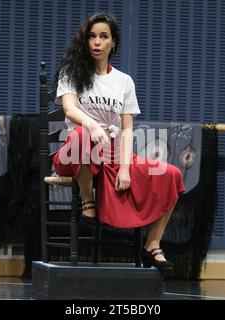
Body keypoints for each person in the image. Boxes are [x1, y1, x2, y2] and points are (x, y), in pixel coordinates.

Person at [52, 12, 185, 271]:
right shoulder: (72, 72)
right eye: (92, 36)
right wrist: (91, 125)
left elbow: (126, 129)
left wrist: (124, 168)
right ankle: (87, 201)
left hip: (111, 154)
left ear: (113, 43)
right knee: (82, 135)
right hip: (74, 153)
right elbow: (69, 109)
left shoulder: (124, 81)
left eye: (103, 37)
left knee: (172, 175)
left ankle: (153, 245)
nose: (97, 42)